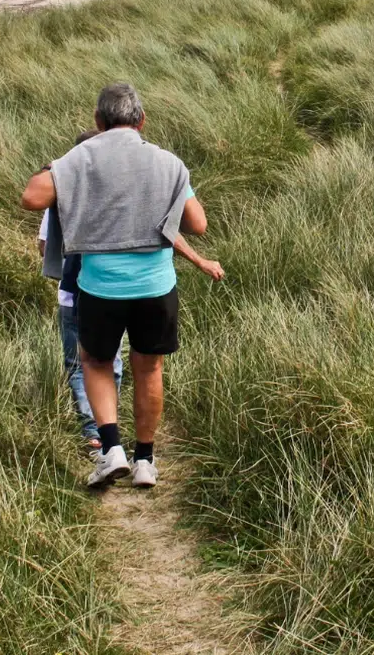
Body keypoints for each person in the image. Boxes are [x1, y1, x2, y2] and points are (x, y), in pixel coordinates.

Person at [21, 82, 223, 489]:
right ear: (142, 120)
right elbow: (197, 224)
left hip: (101, 286)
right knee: (149, 369)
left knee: (95, 362)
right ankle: (145, 460)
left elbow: (31, 197)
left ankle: (111, 450)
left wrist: (61, 163)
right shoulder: (168, 162)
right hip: (156, 286)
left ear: (98, 122)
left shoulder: (81, 158)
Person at [38, 130, 123, 454]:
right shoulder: (116, 193)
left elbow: (45, 245)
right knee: (111, 359)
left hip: (72, 293)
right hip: (111, 290)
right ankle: (109, 428)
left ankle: (94, 432)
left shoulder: (60, 194)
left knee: (78, 364)